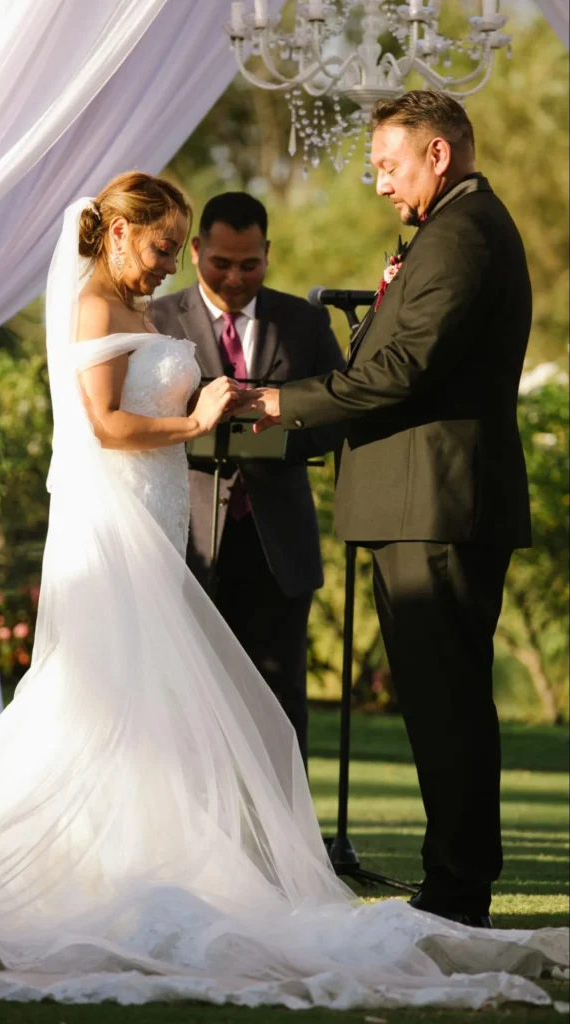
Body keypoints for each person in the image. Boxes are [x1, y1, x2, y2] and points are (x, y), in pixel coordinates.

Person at [0, 171, 565, 1013]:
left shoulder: (138, 310)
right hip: (116, 532)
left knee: (154, 702)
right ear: (121, 233)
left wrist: (230, 408)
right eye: (165, 247)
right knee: (103, 695)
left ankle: (146, 858)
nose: (170, 265)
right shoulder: (98, 307)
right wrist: (196, 421)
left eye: (178, 249)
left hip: (158, 519)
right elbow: (105, 425)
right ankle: (102, 867)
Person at [242, 91, 534, 929]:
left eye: (387, 165)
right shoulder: (446, 230)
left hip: (435, 506)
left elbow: (398, 371)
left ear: (437, 155)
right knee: (435, 699)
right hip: (416, 502)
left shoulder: (465, 234)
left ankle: (456, 892)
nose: (377, 184)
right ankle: (450, 882)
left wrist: (276, 404)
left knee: (447, 703)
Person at [151, 192, 345, 765]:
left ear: (268, 253)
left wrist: (283, 424)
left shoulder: (305, 321)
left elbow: (338, 411)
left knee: (282, 695)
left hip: (277, 540)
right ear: (195, 251)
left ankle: (287, 839)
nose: (235, 277)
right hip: (187, 537)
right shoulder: (157, 319)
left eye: (249, 264)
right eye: (221, 263)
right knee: (185, 692)